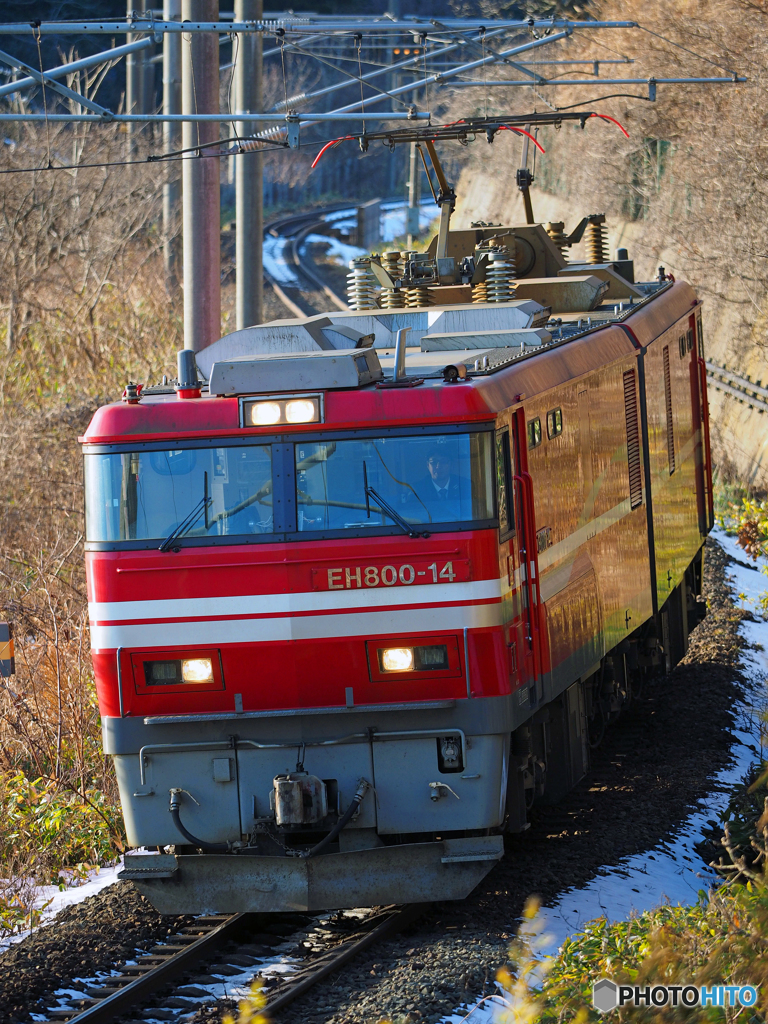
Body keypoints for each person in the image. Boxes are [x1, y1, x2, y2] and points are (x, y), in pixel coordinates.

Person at [412, 446, 471, 518]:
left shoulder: (465, 485)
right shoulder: (417, 490)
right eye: (433, 462)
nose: (438, 466)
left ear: (451, 464)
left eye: (443, 462)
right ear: (428, 465)